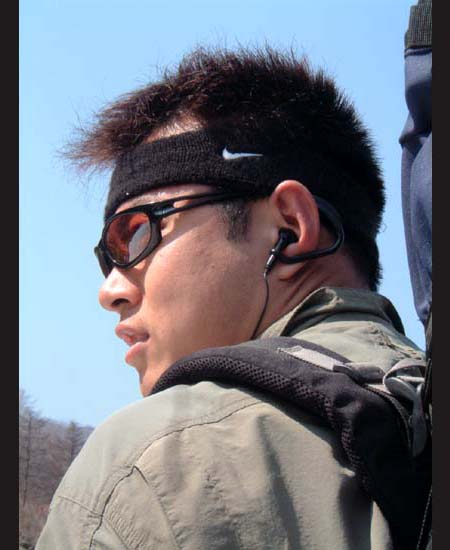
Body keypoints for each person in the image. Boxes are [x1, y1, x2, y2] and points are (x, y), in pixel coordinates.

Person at [36, 47, 426, 549]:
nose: (109, 291)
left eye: (135, 235)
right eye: (106, 259)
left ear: (290, 228)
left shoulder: (149, 470)